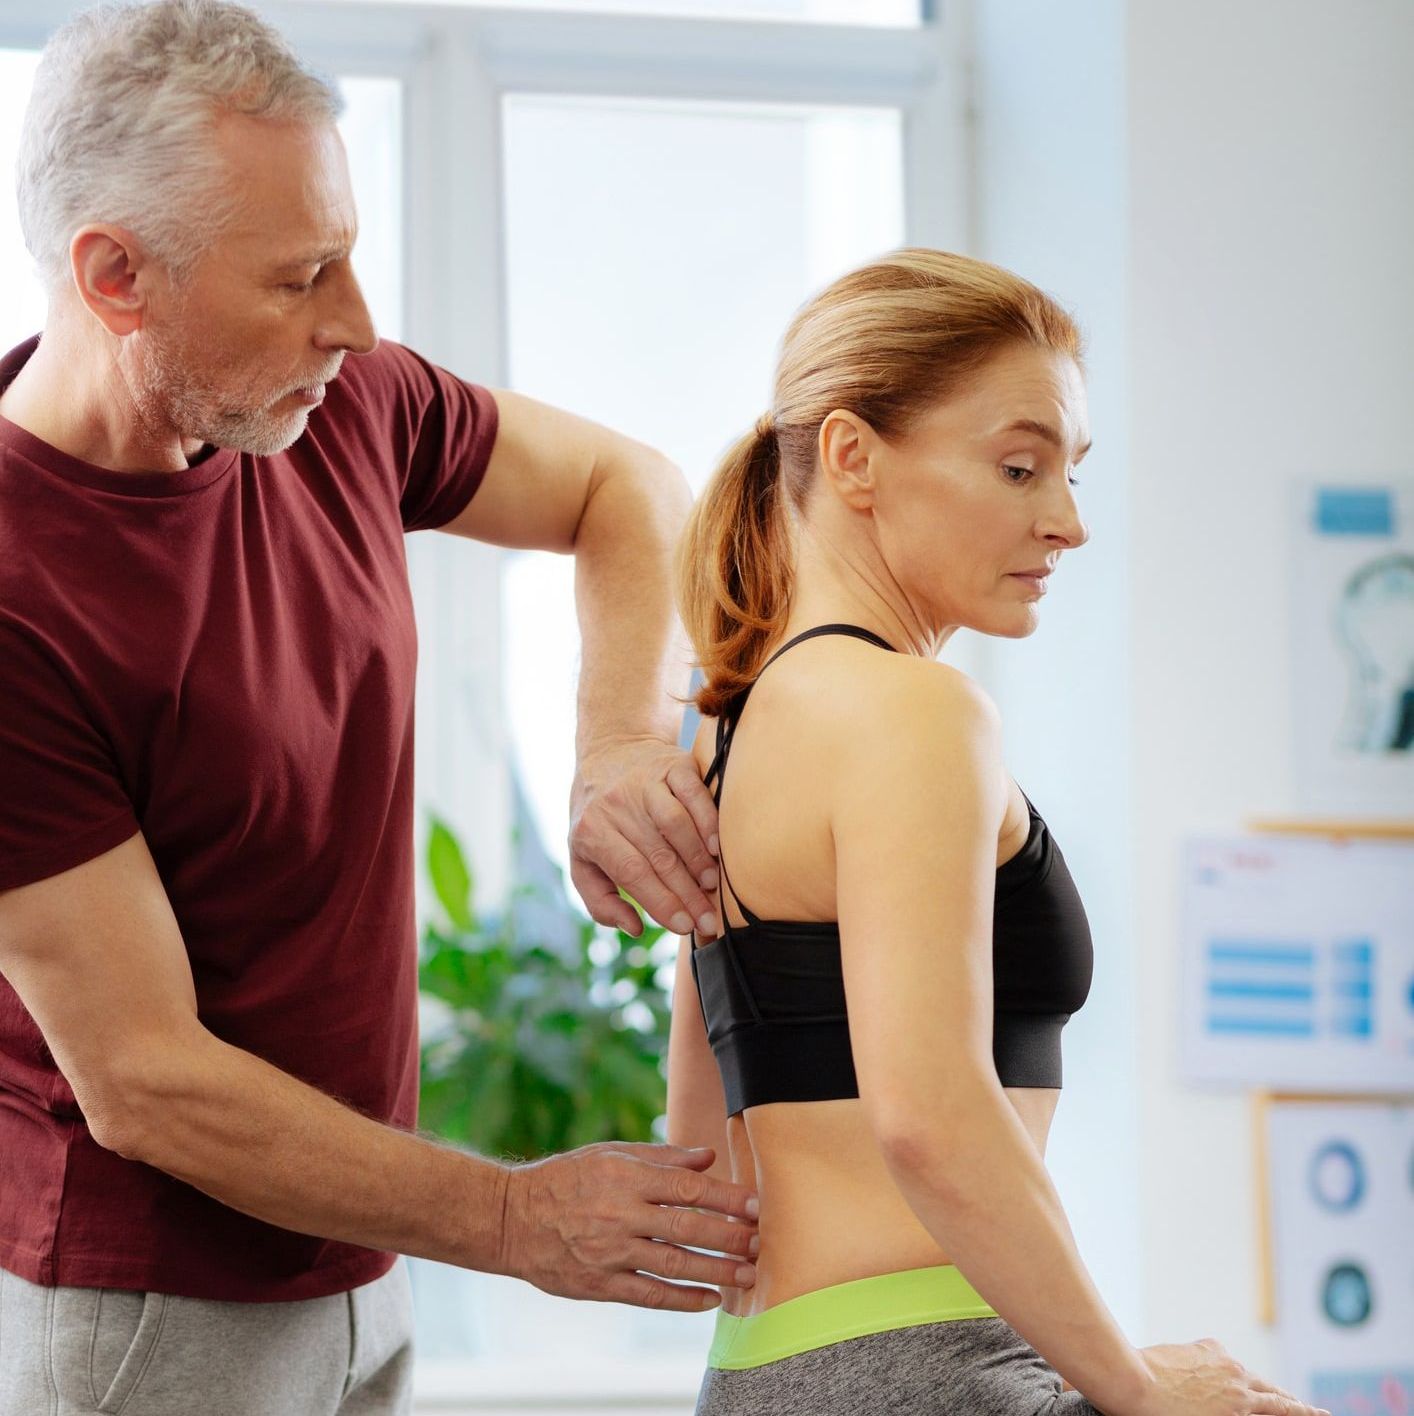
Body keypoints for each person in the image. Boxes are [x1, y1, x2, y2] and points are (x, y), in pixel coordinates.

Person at [0, 2, 755, 1412]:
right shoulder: (18, 599)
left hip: (361, 1266)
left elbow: (628, 487)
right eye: (302, 275)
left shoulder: (328, 406)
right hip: (150, 1316)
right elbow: (147, 1081)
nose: (353, 320)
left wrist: (606, 749)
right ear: (115, 275)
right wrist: (519, 1222)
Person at [666, 249, 1330, 1416]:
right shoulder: (914, 711)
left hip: (767, 1372)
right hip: (927, 1365)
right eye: (1019, 467)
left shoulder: (722, 738)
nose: (1066, 522)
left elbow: (704, 1165)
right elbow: (928, 1118)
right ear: (852, 456)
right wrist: (1127, 1386)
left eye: (1070, 474)